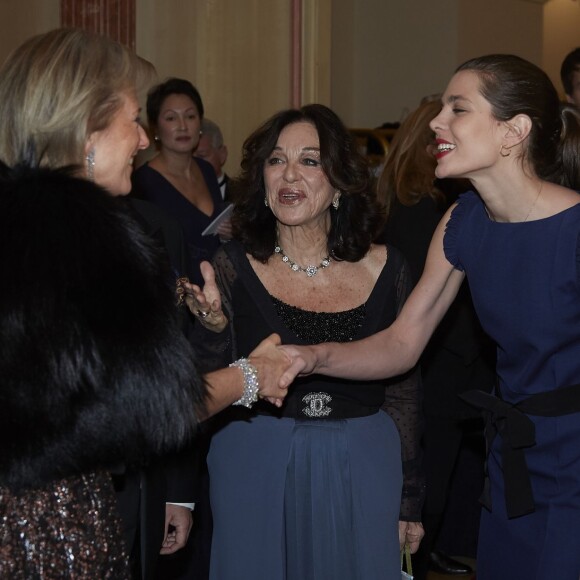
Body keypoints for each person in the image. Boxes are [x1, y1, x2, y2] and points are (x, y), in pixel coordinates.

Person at [0, 28, 290, 579]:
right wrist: (252, 376)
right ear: (86, 126)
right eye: (133, 120)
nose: (141, 140)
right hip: (51, 526)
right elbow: (148, 407)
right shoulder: (88, 239)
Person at [281, 54, 580, 580]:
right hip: (512, 458)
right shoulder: (462, 221)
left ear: (514, 131)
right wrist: (312, 355)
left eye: (457, 109)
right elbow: (402, 342)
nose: (437, 122)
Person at [186, 103, 425, 580]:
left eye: (310, 161)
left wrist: (410, 498)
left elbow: (404, 388)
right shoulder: (230, 265)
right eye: (276, 160)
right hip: (255, 460)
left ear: (339, 181)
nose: (289, 174)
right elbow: (201, 389)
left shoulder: (389, 267)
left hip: (364, 463)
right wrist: (211, 328)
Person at [375, 98, 495, 579]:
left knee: (439, 479)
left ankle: (426, 557)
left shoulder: (415, 202)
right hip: (440, 366)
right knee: (430, 484)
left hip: (439, 362)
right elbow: (425, 304)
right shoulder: (424, 210)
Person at [131, 78, 228, 286]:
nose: (183, 126)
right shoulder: (142, 183)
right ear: (155, 129)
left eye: (190, 116)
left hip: (217, 291)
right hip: (173, 297)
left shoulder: (207, 170)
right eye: (171, 118)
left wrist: (228, 231)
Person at [195, 117, 230, 201]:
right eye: (188, 157)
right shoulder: (173, 194)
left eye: (201, 156)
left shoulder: (245, 194)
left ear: (222, 154)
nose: (194, 162)